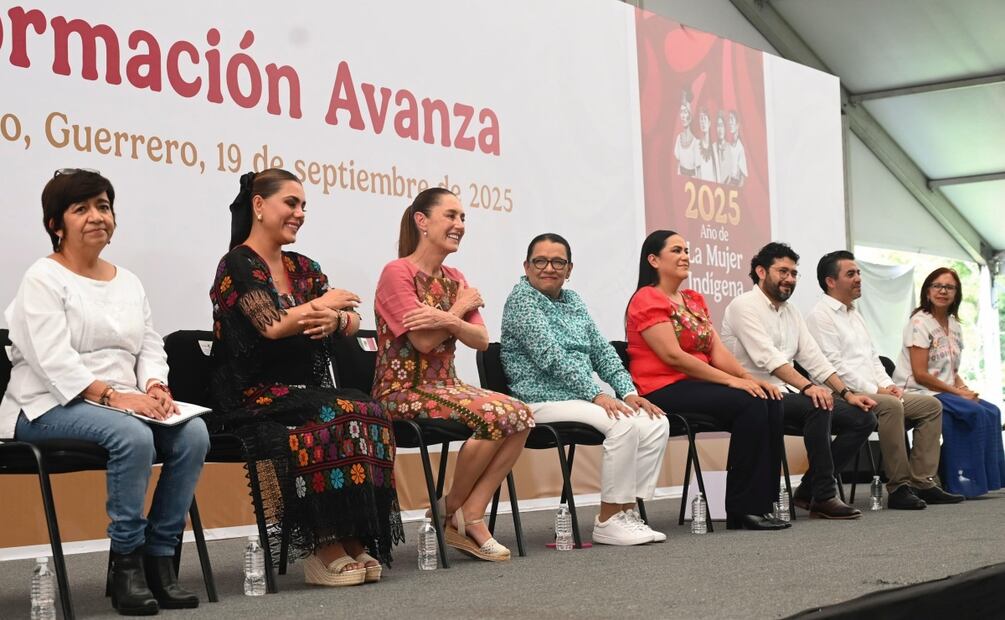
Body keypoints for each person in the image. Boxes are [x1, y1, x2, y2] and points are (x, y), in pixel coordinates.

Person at [0, 169, 209, 615]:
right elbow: (51, 360)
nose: (97, 217)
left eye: (104, 206)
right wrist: (115, 398)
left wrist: (154, 385)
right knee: (131, 437)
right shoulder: (43, 277)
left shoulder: (128, 281)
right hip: (46, 405)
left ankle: (160, 559)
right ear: (57, 225)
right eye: (82, 209)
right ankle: (126, 566)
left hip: (123, 403)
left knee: (194, 436)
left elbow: (149, 344)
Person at [209, 169, 402, 587]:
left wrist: (335, 317)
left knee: (368, 409)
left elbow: (351, 321)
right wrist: (324, 305)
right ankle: (323, 544)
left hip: (304, 391)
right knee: (334, 413)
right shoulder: (238, 264)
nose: (299, 213)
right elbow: (272, 325)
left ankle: (355, 537)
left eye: (303, 206)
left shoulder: (303, 266)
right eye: (290, 203)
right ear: (259, 206)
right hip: (254, 395)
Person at [373, 187, 533, 562]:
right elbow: (424, 341)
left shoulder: (454, 275)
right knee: (495, 416)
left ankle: (462, 511)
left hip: (448, 386)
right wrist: (459, 309)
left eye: (463, 218)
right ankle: (459, 517)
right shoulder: (397, 273)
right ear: (422, 221)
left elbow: (480, 339)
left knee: (522, 415)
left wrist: (445, 317)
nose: (460, 225)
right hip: (401, 390)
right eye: (451, 216)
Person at [501, 233, 669, 545]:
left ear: (569, 269)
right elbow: (552, 359)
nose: (549, 267)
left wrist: (628, 392)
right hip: (539, 398)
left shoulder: (574, 300)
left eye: (558, 262)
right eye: (540, 261)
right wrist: (597, 394)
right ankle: (607, 519)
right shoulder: (522, 302)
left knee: (656, 421)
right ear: (526, 266)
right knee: (622, 424)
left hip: (577, 399)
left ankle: (626, 511)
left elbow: (602, 352)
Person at [625, 230, 788, 530]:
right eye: (676, 250)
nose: (685, 256)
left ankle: (764, 503)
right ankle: (742, 510)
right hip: (662, 389)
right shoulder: (646, 299)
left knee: (769, 398)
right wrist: (731, 383)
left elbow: (717, 350)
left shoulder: (693, 299)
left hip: (696, 385)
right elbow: (673, 356)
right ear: (653, 259)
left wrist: (748, 378)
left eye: (686, 250)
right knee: (748, 404)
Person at [721, 242, 876, 519]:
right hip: (753, 394)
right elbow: (768, 359)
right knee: (818, 403)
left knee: (862, 417)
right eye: (783, 271)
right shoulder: (742, 306)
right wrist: (808, 386)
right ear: (760, 271)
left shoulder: (791, 312)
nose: (789, 279)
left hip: (786, 393)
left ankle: (808, 492)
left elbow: (814, 357)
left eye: (794, 273)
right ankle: (825, 495)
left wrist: (848, 393)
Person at [806, 251, 963, 509]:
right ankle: (899, 487)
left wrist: (888, 384)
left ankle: (922, 482)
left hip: (873, 391)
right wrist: (876, 389)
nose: (858, 278)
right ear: (830, 282)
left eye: (858, 273)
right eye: (851, 274)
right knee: (891, 406)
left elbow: (872, 358)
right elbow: (834, 367)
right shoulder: (820, 316)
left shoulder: (854, 314)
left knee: (931, 406)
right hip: (840, 394)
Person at [893, 267, 1005, 497]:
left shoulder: (954, 326)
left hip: (944, 390)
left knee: (992, 411)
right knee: (973, 412)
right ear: (927, 291)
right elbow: (921, 374)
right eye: (937, 285)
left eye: (949, 287)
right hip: (918, 390)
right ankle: (960, 480)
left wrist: (963, 389)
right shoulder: (919, 323)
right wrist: (958, 393)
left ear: (956, 293)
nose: (943, 291)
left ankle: (983, 479)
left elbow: (951, 370)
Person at [673, 89, 698, 177]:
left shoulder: (696, 143)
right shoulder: (678, 139)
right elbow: (679, 166)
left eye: (686, 112)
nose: (683, 116)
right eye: (681, 112)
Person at [695, 107, 716, 182]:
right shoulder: (696, 145)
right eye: (701, 119)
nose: (703, 122)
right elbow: (697, 170)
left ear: (709, 123)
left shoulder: (714, 148)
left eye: (705, 119)